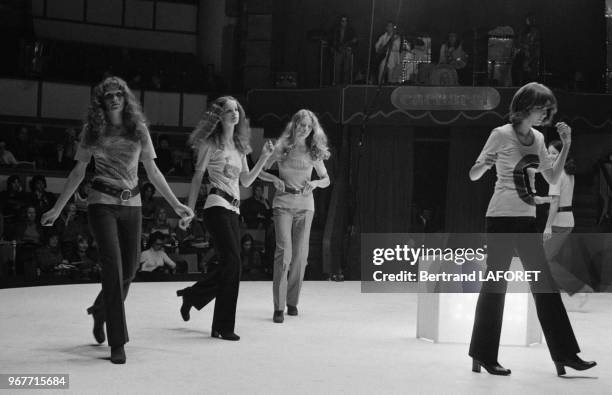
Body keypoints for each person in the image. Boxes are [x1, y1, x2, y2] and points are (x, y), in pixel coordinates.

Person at [40, 76, 193, 364]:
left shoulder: (138, 129)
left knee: (131, 268)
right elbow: (78, 172)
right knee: (113, 268)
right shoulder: (93, 129)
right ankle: (117, 343)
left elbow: (153, 171)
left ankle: (100, 310)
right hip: (102, 203)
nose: (113, 99)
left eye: (118, 94)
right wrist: (58, 208)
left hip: (132, 204)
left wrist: (176, 204)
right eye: (108, 95)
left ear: (125, 98)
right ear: (101, 100)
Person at [468, 82, 595, 376]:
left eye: (548, 110)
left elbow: (551, 176)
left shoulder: (538, 138)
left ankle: (565, 355)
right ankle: (484, 355)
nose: (545, 115)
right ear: (526, 106)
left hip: (526, 219)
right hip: (500, 218)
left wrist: (567, 145)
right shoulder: (499, 135)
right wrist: (484, 164)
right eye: (542, 108)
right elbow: (474, 175)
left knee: (545, 286)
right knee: (495, 285)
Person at [176, 96, 274, 341]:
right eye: (228, 110)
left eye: (236, 109)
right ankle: (222, 325)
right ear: (219, 116)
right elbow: (198, 177)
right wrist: (189, 210)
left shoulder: (239, 146)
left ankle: (194, 296)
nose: (234, 113)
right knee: (233, 263)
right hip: (216, 206)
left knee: (231, 266)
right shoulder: (210, 143)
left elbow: (246, 181)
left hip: (234, 209)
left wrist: (263, 157)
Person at [258, 109, 331, 323]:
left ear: (312, 129)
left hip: (306, 205)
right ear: (295, 125)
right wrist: (273, 180)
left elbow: (326, 179)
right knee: (284, 253)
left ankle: (292, 302)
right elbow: (260, 169)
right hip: (283, 204)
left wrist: (316, 183)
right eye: (301, 125)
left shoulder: (314, 151)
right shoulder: (282, 147)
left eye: (308, 127)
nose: (304, 129)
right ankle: (278, 307)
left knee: (300, 256)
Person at [541, 140, 593, 303]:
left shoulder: (556, 176)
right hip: (567, 220)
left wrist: (548, 226)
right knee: (548, 259)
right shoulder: (567, 173)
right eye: (548, 152)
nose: (550, 156)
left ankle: (579, 289)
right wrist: (543, 199)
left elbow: (556, 202)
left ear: (562, 155)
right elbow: (559, 198)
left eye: (554, 153)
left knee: (545, 260)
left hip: (559, 223)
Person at [330, 15, 358, 85]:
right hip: (338, 49)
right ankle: (336, 82)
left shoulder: (350, 30)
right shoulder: (336, 29)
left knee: (347, 67)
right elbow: (333, 40)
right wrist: (335, 47)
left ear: (347, 22)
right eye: (342, 21)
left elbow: (355, 40)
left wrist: (350, 46)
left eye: (345, 21)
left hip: (347, 50)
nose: (343, 23)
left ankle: (346, 83)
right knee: (337, 67)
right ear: (340, 22)